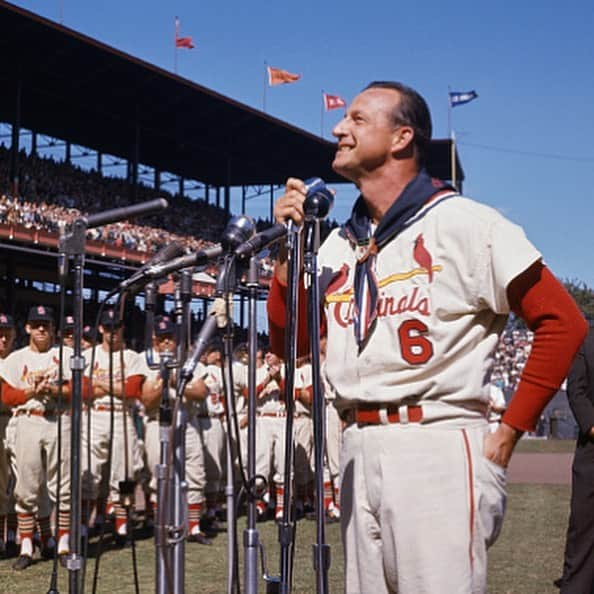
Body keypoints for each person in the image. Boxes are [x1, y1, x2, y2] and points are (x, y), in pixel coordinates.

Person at [267, 81, 588, 593]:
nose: (338, 128)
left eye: (356, 119)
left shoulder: (463, 222)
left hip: (435, 441)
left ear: (401, 137)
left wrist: (507, 434)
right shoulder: (336, 244)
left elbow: (563, 322)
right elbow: (295, 344)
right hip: (356, 444)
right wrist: (287, 257)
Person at [0, 306, 73, 570]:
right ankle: (27, 547)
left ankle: (63, 545)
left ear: (53, 329)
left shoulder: (63, 355)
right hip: (28, 419)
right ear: (28, 328)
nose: (42, 328)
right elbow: (7, 396)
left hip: (57, 419)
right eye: (36, 324)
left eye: (46, 324)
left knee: (63, 484)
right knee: (26, 486)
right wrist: (33, 390)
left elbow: (78, 389)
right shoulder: (16, 359)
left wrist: (52, 389)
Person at [139, 315, 212, 544]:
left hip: (186, 420)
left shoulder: (189, 361)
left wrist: (174, 382)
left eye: (169, 337)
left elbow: (201, 392)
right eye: (161, 338)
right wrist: (164, 375)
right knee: (160, 474)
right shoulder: (146, 361)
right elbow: (147, 399)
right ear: (154, 340)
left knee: (195, 472)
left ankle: (193, 527)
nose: (166, 342)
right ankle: (163, 525)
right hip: (157, 421)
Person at [81, 309, 145, 544]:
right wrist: (115, 385)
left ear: (122, 328)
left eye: (116, 326)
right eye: (108, 327)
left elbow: (132, 390)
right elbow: (84, 391)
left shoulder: (132, 357)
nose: (112, 331)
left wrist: (100, 382)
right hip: (95, 416)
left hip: (122, 416)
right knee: (88, 473)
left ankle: (122, 525)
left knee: (126, 475)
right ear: (100, 329)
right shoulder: (89, 355)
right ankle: (83, 528)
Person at [557, 323, 594, 593]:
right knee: (584, 526)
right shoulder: (586, 339)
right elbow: (576, 390)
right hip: (592, 452)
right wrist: (592, 426)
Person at [0, 313, 17, 558]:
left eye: (7, 333)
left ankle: (14, 536)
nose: (2, 338)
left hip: (16, 421)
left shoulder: (19, 359)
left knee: (17, 482)